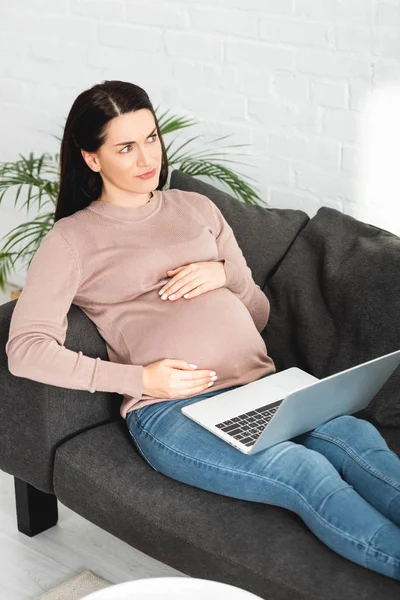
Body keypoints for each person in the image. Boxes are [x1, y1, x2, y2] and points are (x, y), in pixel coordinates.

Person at [6, 80, 400, 581]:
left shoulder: (196, 209)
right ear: (92, 159)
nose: (147, 156)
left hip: (263, 387)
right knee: (305, 472)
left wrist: (226, 275)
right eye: (125, 147)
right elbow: (25, 350)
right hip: (174, 411)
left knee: (355, 437)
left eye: (151, 137)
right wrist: (140, 380)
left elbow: (257, 315)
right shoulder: (72, 239)